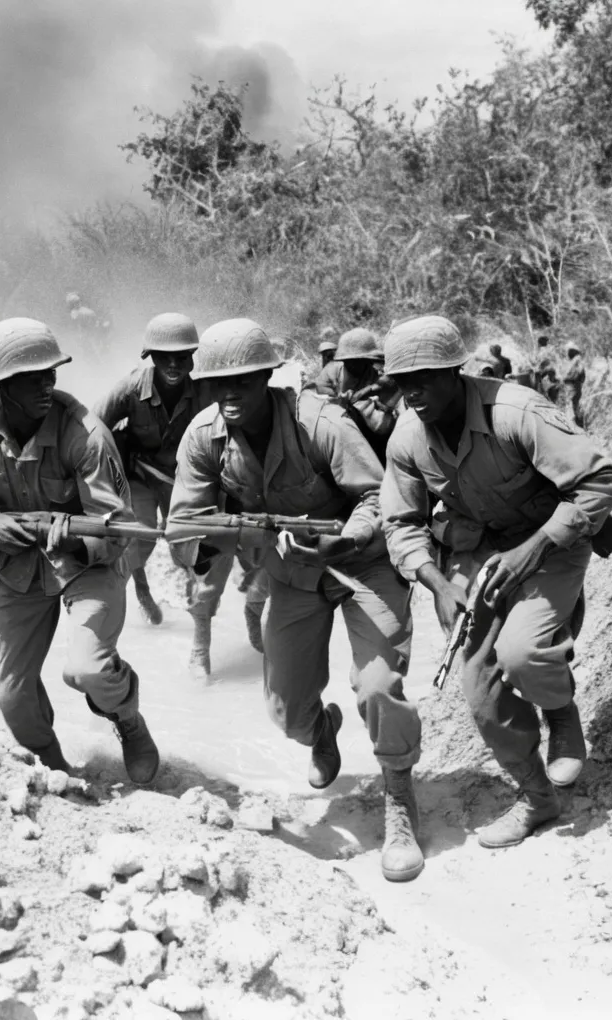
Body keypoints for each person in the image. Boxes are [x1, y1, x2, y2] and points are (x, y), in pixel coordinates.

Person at [168, 319, 424, 883]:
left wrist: (347, 539)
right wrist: (229, 536)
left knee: (378, 685)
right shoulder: (202, 438)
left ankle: (399, 800)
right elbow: (183, 526)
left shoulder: (320, 422)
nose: (229, 395)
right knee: (285, 712)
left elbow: (379, 501)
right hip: (290, 575)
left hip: (362, 564)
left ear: (267, 378)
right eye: (217, 385)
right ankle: (321, 732)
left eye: (242, 381)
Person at [379, 315, 612, 849]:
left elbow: (603, 479)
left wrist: (532, 549)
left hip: (552, 540)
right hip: (478, 550)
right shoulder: (406, 437)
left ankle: (561, 715)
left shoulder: (515, 410)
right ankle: (537, 799)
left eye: (422, 377)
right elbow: (399, 524)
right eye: (400, 381)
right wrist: (438, 585)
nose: (411, 392)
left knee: (523, 652)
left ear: (454, 372)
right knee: (479, 687)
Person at [0, 318, 160, 784]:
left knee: (88, 670)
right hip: (17, 564)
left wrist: (69, 534)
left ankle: (128, 721)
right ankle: (54, 765)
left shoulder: (84, 433)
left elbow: (119, 526)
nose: (46, 385)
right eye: (32, 379)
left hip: (89, 562)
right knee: (10, 696)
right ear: (1, 386)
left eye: (50, 374)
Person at [92, 314, 266, 677]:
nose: (173, 365)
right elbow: (92, 428)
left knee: (194, 547)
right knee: (136, 539)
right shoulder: (129, 389)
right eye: (163, 357)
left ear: (193, 358)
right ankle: (133, 597)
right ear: (149, 357)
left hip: (189, 480)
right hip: (140, 476)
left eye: (181, 357)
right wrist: (101, 478)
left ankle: (211, 605)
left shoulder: (205, 391)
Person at [310, 327, 399, 465]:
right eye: (349, 361)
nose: (354, 365)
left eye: (359, 360)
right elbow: (318, 397)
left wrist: (370, 390)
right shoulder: (330, 372)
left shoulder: (376, 374)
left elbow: (391, 384)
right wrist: (338, 400)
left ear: (368, 360)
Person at [561, 343, 586, 427]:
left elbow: (581, 372)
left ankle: (574, 425)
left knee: (571, 405)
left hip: (573, 385)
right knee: (573, 405)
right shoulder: (574, 361)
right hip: (573, 386)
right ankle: (576, 423)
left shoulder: (576, 360)